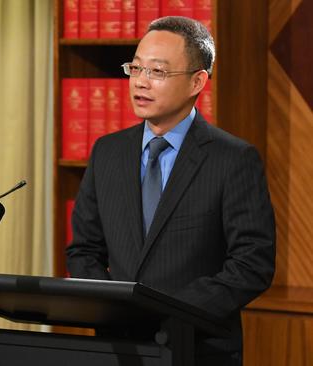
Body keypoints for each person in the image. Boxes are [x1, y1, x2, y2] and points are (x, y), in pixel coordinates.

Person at [66, 16, 275, 365]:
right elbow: (83, 250)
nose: (140, 83)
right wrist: (114, 309)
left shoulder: (233, 158)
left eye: (157, 72)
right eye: (135, 68)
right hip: (118, 348)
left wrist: (169, 311)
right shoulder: (107, 151)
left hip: (197, 348)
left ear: (197, 81)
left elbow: (252, 263)